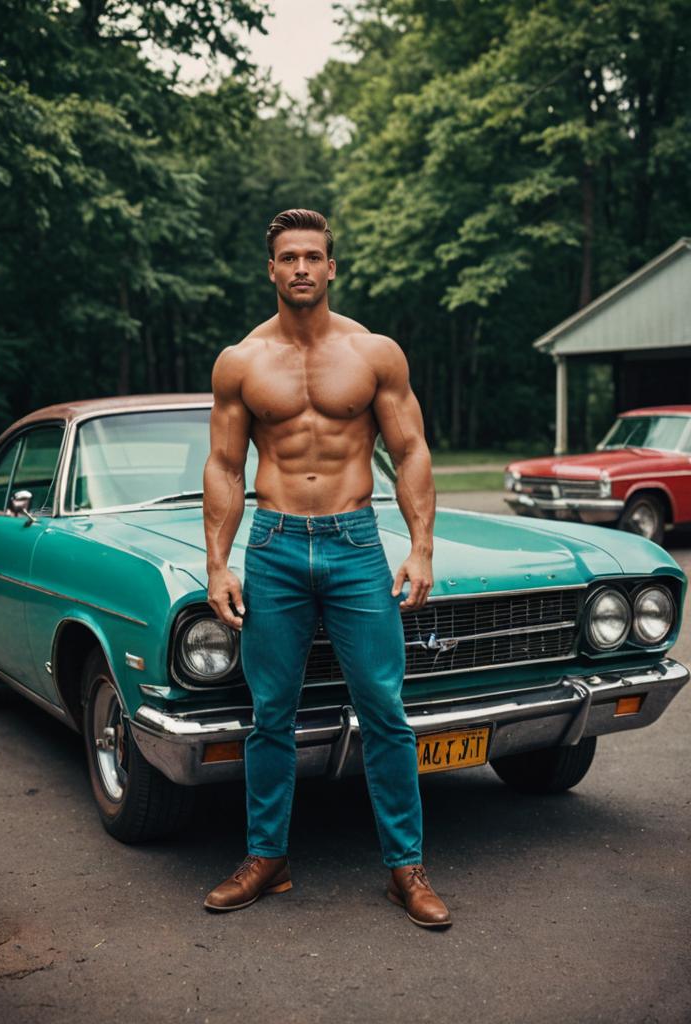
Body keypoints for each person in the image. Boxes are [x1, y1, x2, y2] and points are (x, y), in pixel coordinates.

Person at [201, 208, 450, 929]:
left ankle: (406, 867)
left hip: (354, 545)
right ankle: (266, 858)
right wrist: (219, 563)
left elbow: (410, 452)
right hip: (275, 545)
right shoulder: (241, 361)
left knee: (385, 711)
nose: (302, 267)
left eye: (314, 256)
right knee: (269, 715)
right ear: (271, 269)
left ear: (332, 267)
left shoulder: (374, 353)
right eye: (289, 257)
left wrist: (421, 545)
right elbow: (223, 465)